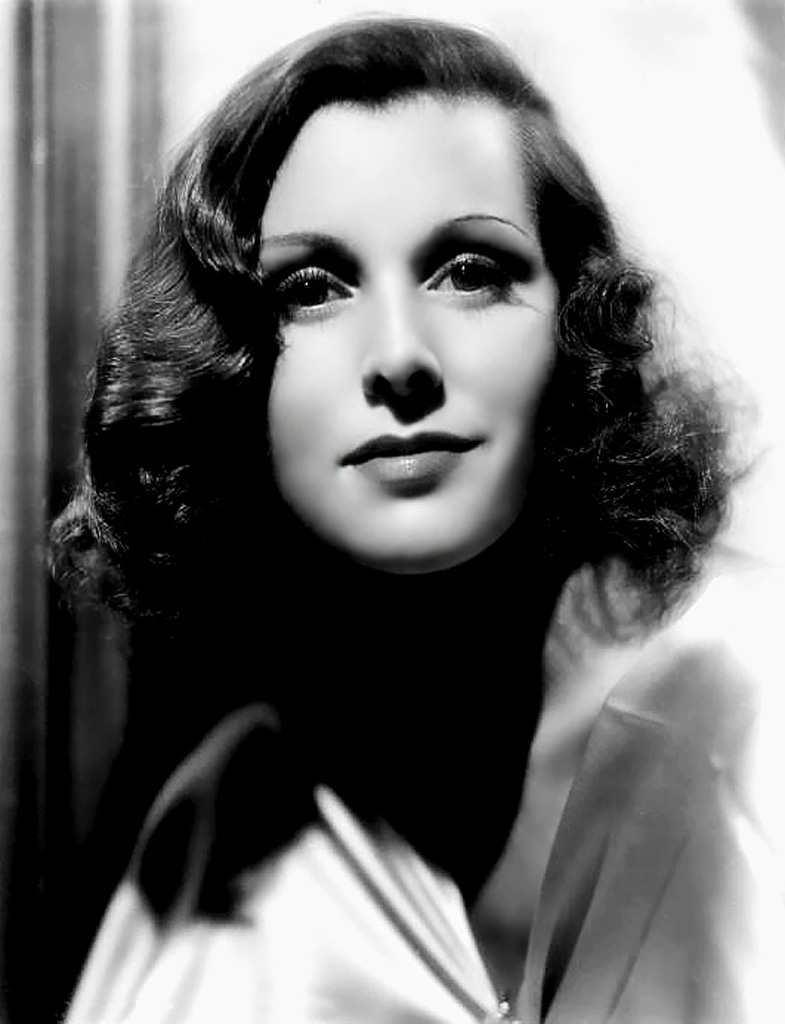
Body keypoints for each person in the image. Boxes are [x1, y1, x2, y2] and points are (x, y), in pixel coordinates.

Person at [50, 15, 782, 1024]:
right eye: (312, 288)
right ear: (232, 370)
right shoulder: (234, 829)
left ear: (577, 323)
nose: (398, 356)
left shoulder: (744, 714)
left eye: (470, 271)